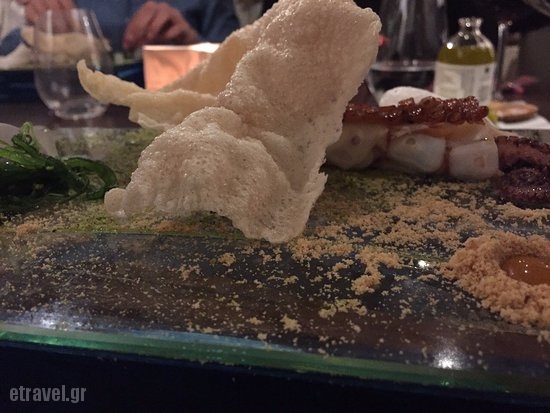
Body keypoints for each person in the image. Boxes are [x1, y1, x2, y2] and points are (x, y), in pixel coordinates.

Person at [14, 0, 240, 52]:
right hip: (74, 120)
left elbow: (238, 60)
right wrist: (39, 29)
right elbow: (8, 53)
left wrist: (191, 44)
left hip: (184, 119)